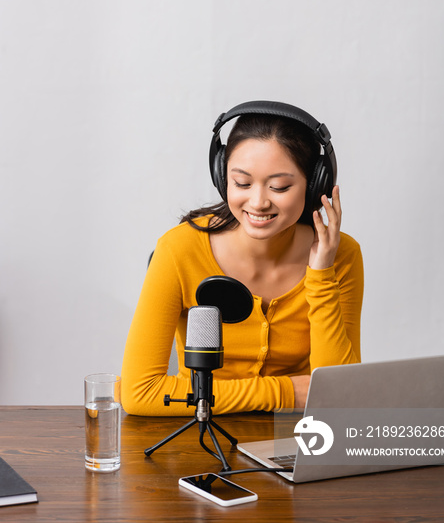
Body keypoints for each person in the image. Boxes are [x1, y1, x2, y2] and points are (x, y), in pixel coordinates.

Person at [121, 101, 363, 416]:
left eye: (279, 186)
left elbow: (340, 395)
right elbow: (140, 392)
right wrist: (286, 392)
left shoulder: (341, 256)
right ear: (223, 177)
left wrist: (320, 275)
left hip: (298, 441)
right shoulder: (179, 250)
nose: (258, 202)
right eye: (242, 183)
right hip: (200, 437)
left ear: (315, 184)